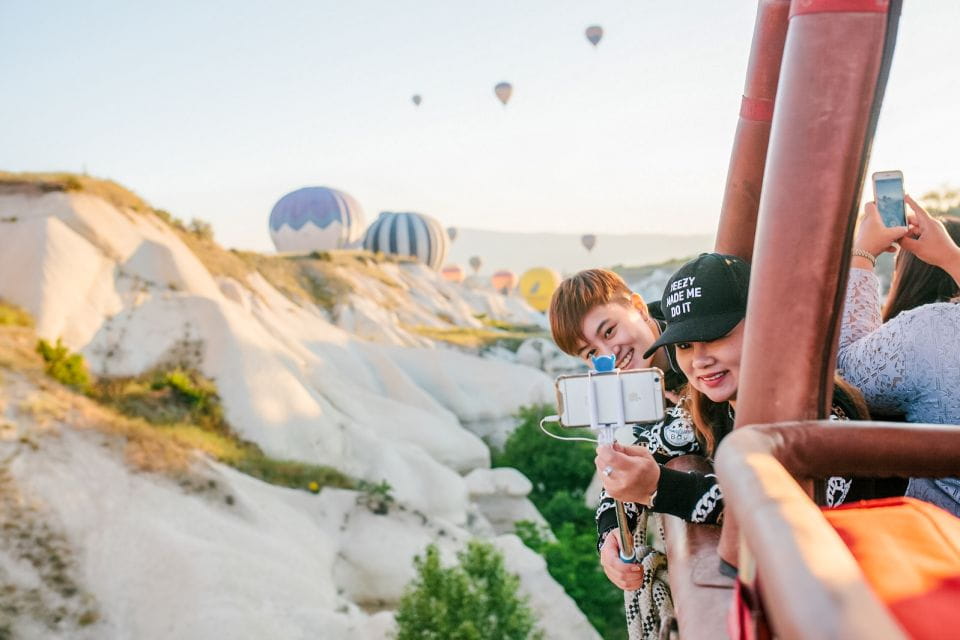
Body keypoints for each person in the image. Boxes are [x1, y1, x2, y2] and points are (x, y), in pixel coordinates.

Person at [839, 196, 960, 515]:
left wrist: (861, 254)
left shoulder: (931, 331)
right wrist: (952, 258)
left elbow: (846, 379)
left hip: (943, 544)